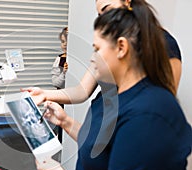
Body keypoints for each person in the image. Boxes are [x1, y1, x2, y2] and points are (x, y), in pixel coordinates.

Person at [35, 7, 192, 170]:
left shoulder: (149, 114)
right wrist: (65, 121)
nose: (92, 58)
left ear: (121, 48)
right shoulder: (112, 99)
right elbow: (99, 147)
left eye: (97, 49)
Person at [21, 0, 182, 106]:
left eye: (108, 9)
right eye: (100, 14)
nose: (105, 18)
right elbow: (82, 90)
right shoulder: (108, 47)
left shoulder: (164, 44)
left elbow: (163, 106)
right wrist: (45, 94)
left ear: (127, 2)